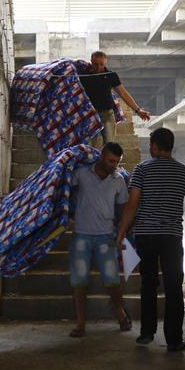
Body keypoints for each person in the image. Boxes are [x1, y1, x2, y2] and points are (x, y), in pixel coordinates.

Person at [116, 128, 185, 352]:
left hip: (146, 235)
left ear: (154, 145)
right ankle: (174, 340)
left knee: (149, 283)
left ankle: (146, 333)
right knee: (174, 286)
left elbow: (132, 205)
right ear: (171, 146)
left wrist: (122, 231)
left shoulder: (142, 170)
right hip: (172, 236)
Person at [68, 142, 132, 337]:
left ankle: (120, 315)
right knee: (79, 282)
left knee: (113, 281)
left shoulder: (119, 180)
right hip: (81, 234)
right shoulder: (81, 174)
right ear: (102, 156)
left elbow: (123, 210)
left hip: (106, 236)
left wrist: (121, 233)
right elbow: (66, 194)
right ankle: (80, 324)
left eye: (117, 162)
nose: (114, 165)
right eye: (111, 160)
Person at [78, 51, 151, 146]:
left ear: (105, 63)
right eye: (95, 64)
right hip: (90, 115)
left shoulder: (110, 75)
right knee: (89, 146)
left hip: (107, 114)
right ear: (91, 60)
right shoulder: (83, 75)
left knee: (109, 145)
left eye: (101, 64)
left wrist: (137, 110)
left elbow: (123, 93)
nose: (98, 67)